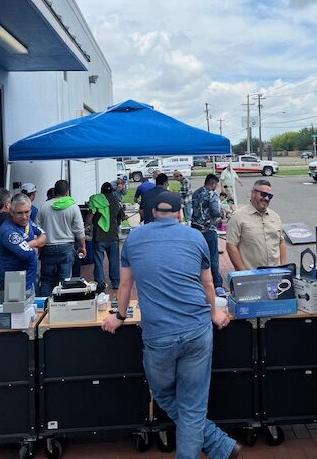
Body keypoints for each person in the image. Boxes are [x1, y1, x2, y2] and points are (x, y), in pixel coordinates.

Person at [101, 191, 241, 459]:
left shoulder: (133, 239)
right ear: (179, 213)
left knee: (165, 396)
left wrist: (119, 317)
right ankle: (220, 445)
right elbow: (209, 283)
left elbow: (125, 284)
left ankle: (220, 446)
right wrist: (214, 313)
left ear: (153, 212)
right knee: (192, 405)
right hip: (197, 330)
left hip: (159, 335)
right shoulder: (196, 237)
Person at [38, 179, 86, 296]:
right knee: (65, 281)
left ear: (54, 191)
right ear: (67, 191)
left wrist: (38, 248)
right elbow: (79, 230)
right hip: (66, 247)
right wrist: (83, 246)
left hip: (47, 247)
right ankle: (63, 306)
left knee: (45, 280)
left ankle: (44, 308)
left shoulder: (44, 206)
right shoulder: (73, 207)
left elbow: (37, 228)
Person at [226, 179, 287, 270]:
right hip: (251, 276)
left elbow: (281, 242)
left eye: (269, 196)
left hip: (275, 274)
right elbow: (231, 246)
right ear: (253, 193)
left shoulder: (275, 217)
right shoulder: (238, 217)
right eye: (263, 194)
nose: (266, 198)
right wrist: (244, 273)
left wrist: (283, 268)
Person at [0, 193, 46, 291]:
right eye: (20, 213)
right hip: (14, 286)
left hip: (29, 281)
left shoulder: (27, 222)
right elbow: (27, 255)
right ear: (11, 212)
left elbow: (44, 237)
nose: (24, 217)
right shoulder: (9, 231)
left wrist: (30, 244)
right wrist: (36, 246)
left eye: (27, 212)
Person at [85, 182, 126, 292]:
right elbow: (122, 217)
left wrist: (86, 226)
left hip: (99, 237)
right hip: (113, 236)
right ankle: (116, 283)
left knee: (98, 261)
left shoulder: (97, 200)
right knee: (114, 261)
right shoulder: (116, 202)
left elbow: (90, 216)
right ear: (112, 191)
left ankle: (100, 282)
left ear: (101, 191)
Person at [192, 174, 224, 289]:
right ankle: (217, 283)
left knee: (197, 258)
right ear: (212, 183)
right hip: (208, 229)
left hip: (195, 230)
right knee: (213, 258)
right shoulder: (212, 194)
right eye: (216, 184)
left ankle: (197, 282)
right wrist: (224, 213)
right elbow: (216, 211)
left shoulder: (195, 193)